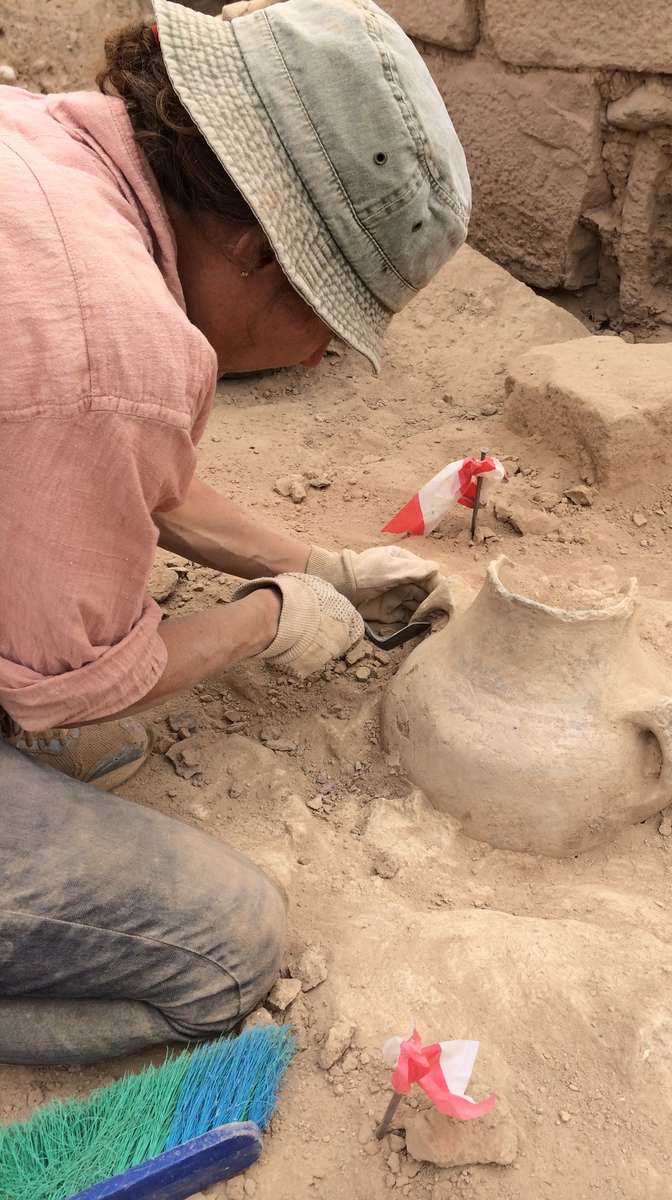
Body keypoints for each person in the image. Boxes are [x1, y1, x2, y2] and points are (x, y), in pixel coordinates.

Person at [0, 0, 470, 1063]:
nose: (317, 361)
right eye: (328, 324)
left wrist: (319, 565)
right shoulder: (112, 352)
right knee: (224, 946)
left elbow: (119, 468)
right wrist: (270, 621)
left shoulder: (42, 142)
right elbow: (67, 692)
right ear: (261, 249)